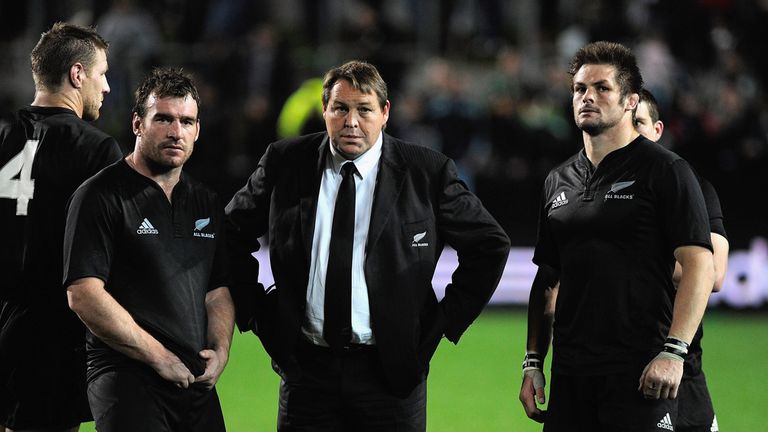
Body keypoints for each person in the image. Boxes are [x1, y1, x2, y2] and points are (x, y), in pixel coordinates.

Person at [226, 60, 510, 431]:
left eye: (364, 109)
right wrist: (257, 311)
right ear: (325, 111)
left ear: (385, 112)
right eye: (340, 108)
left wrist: (441, 322)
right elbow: (230, 232)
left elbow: (490, 245)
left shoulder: (426, 171)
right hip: (307, 374)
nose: (351, 121)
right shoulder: (285, 162)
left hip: (390, 376)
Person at [519, 41, 715, 431]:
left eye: (602, 88)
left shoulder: (666, 171)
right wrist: (533, 361)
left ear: (630, 101)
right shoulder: (557, 180)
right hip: (572, 375)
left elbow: (700, 266)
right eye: (579, 88)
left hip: (640, 373)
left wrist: (674, 352)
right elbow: (547, 279)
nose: (587, 97)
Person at [62, 68, 234, 432]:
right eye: (164, 119)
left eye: (187, 122)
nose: (176, 132)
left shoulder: (205, 200)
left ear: (198, 131)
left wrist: (220, 351)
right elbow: (83, 293)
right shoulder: (100, 195)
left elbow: (217, 290)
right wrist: (158, 357)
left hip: (192, 379)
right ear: (138, 124)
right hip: (125, 376)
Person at [0, 22, 121, 432]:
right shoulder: (96, 148)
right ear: (77, 74)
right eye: (102, 73)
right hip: (54, 337)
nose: (106, 87)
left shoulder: (3, 138)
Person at [634, 89, 729, 432]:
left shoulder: (695, 189)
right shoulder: (598, 195)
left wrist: (630, 264)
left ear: (657, 130)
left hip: (684, 365)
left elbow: (714, 274)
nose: (631, 131)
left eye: (639, 122)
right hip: (623, 370)